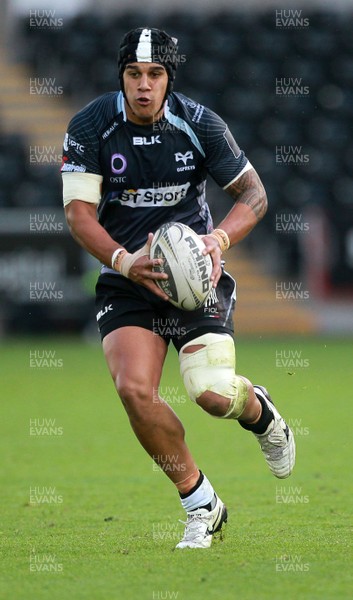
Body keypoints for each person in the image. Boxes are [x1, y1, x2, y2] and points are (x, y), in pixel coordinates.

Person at [62, 27, 295, 549]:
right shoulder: (91, 126)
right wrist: (123, 259)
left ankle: (259, 410)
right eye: (133, 74)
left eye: (154, 75)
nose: (143, 86)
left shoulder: (199, 123)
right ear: (121, 76)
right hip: (128, 276)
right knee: (133, 391)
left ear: (170, 79)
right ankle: (202, 505)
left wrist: (217, 240)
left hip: (194, 277)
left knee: (211, 396)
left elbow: (254, 194)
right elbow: (78, 214)